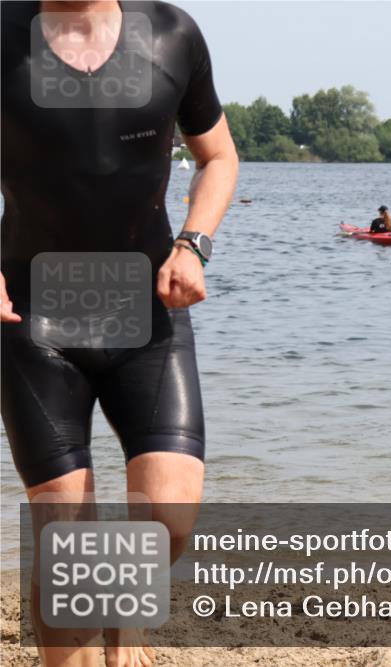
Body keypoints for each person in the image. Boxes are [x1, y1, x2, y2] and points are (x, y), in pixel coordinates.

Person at [1, 1, 238, 664]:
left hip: (148, 312)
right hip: (32, 317)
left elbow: (218, 156)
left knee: (169, 519)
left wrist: (194, 244)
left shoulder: (171, 35)